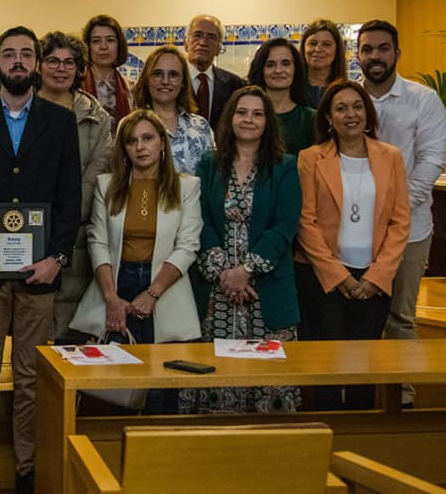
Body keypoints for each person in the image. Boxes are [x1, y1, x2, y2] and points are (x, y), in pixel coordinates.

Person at [0, 26, 80, 494]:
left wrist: (57, 258)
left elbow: (71, 197)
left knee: (29, 377)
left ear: (40, 63)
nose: (19, 62)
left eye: (28, 54)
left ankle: (27, 468)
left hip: (39, 272)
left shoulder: (59, 121)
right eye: (10, 54)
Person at [180, 86, 301, 414]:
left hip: (267, 290)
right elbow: (199, 218)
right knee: (218, 376)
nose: (249, 119)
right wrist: (225, 273)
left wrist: (245, 270)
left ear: (268, 122)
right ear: (230, 117)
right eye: (242, 112)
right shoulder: (209, 164)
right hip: (217, 294)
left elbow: (285, 225)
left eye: (258, 114)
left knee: (269, 382)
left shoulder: (285, 166)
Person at [74, 110, 202, 412]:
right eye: (132, 141)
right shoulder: (107, 185)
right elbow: (98, 241)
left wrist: (153, 292)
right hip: (116, 283)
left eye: (148, 138)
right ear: (124, 149)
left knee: (160, 387)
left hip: (165, 288)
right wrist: (111, 298)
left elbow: (187, 246)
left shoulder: (187, 186)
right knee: (113, 386)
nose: (140, 147)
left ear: (162, 144)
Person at [296, 80, 409, 410]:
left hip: (374, 279)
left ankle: (360, 433)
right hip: (324, 279)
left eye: (357, 107)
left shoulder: (391, 157)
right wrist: (338, 275)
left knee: (365, 363)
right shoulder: (310, 158)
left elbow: (400, 223)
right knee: (326, 363)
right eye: (341, 108)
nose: (351, 114)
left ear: (368, 113)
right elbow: (306, 222)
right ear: (329, 117)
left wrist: (376, 277)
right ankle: (327, 431)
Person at [359, 19, 446, 407]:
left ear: (396, 53)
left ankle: (404, 398)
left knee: (402, 318)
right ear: (358, 55)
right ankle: (359, 394)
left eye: (382, 49)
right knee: (358, 320)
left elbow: (432, 159)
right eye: (367, 49)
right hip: (355, 234)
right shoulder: (346, 98)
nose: (375, 56)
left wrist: (396, 211)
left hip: (410, 229)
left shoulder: (423, 99)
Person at [35, 31, 111, 341]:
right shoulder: (21, 111)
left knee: (72, 339)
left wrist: (61, 222)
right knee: (31, 338)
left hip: (77, 241)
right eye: (53, 60)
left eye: (70, 62)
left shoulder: (98, 118)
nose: (61, 68)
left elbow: (97, 177)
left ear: (80, 69)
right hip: (27, 234)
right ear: (39, 65)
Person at [133, 45, 214, 174]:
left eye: (173, 75)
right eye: (157, 74)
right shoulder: (131, 126)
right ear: (146, 80)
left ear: (183, 82)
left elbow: (212, 177)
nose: (165, 81)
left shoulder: (201, 126)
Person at [247, 37, 316, 154]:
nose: (278, 70)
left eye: (286, 64)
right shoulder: (246, 115)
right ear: (261, 70)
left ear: (296, 69)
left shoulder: (311, 119)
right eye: (270, 65)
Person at [184, 14, 246, 130]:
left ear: (219, 48)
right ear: (186, 44)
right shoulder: (171, 82)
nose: (203, 42)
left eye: (211, 37)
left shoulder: (236, 86)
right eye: (197, 35)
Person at [81, 14, 133, 134]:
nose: (103, 47)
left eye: (110, 40)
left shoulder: (131, 88)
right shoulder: (76, 87)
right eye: (96, 41)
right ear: (87, 46)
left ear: (119, 45)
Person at [301, 19, 348, 108]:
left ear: (337, 50)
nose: (318, 49)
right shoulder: (291, 90)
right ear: (303, 48)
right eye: (312, 43)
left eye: (326, 44)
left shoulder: (346, 91)